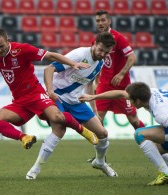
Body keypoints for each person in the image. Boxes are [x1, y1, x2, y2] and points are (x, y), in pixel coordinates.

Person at [0, 28, 98, 153]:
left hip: (35, 93)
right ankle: (24, 137)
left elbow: (50, 55)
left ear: (8, 41)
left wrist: (73, 64)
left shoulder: (22, 50)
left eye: (1, 46)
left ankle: (83, 131)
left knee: (57, 117)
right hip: (20, 101)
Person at [26, 32, 118, 180]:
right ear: (94, 44)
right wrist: (50, 91)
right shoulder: (79, 54)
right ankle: (35, 168)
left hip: (76, 101)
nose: (102, 54)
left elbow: (89, 84)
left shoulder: (100, 63)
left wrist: (94, 110)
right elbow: (49, 69)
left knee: (103, 134)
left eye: (106, 52)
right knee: (59, 130)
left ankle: (100, 162)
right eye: (101, 50)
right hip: (58, 96)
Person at [79, 82, 168, 185]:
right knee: (154, 151)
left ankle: (165, 174)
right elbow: (121, 93)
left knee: (139, 134)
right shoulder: (148, 93)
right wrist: (93, 97)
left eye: (130, 100)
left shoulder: (160, 112)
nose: (129, 102)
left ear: (137, 101)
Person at [85, 10, 145, 162]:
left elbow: (132, 57)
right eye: (98, 21)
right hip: (104, 86)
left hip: (122, 87)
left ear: (109, 21)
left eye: (103, 20)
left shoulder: (118, 38)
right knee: (98, 120)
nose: (100, 23)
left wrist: (121, 74)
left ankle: (152, 143)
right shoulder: (95, 41)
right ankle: (101, 157)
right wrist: (97, 79)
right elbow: (97, 62)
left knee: (134, 119)